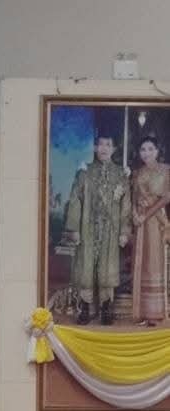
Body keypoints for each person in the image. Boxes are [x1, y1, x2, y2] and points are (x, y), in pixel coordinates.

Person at [62, 134, 131, 325]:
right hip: (88, 228)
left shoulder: (121, 175)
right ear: (94, 147)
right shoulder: (84, 173)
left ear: (114, 149)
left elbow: (126, 205)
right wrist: (74, 228)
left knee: (108, 268)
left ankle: (106, 309)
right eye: (100, 144)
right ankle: (85, 308)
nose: (104, 148)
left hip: (110, 229)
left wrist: (124, 231)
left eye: (108, 145)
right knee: (86, 267)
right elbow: (75, 200)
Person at [128, 135, 170, 325]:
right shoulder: (137, 173)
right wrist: (135, 215)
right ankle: (143, 312)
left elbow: (166, 198)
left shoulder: (166, 170)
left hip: (156, 222)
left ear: (157, 151)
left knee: (155, 262)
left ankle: (157, 313)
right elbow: (133, 197)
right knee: (141, 263)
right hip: (141, 224)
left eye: (150, 149)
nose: (146, 153)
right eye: (143, 149)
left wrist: (146, 215)